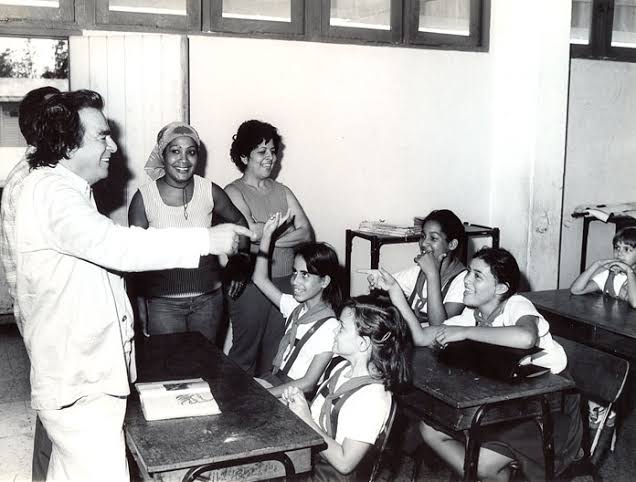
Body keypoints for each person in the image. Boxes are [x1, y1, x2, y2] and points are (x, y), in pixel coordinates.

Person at [14, 89, 254, 482]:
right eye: (102, 137)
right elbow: (119, 246)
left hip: (82, 373)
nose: (113, 147)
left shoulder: (64, 190)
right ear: (67, 144)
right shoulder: (53, 193)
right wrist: (205, 239)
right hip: (80, 378)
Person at [389, 247, 581, 482]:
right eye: (469, 272)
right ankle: (496, 475)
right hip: (504, 405)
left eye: (477, 276)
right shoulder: (473, 314)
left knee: (480, 464)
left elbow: (526, 338)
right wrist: (396, 294)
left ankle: (494, 473)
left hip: (547, 414)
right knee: (429, 430)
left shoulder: (516, 304)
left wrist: (466, 332)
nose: (467, 280)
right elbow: (421, 337)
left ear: (501, 288)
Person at [128, 121, 249, 344]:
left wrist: (239, 262)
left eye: (191, 152)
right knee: (170, 363)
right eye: (175, 151)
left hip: (208, 301)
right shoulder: (143, 198)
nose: (183, 160)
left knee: (204, 362)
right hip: (163, 305)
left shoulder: (210, 191)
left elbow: (239, 222)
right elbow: (133, 257)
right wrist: (139, 306)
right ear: (162, 155)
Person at [282, 294, 411, 481]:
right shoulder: (342, 368)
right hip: (310, 459)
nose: (335, 331)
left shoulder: (372, 398)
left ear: (362, 343)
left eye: (341, 327)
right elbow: (323, 418)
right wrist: (299, 405)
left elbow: (345, 463)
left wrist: (305, 418)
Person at [0, 86, 59, 482]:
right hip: (47, 312)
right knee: (56, 413)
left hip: (42, 311)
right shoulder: (32, 181)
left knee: (55, 412)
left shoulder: (45, 174)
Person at [225, 119, 313, 375]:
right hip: (249, 284)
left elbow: (306, 233)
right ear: (244, 157)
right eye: (261, 151)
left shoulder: (283, 190)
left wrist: (267, 238)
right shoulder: (233, 191)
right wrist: (274, 234)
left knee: (276, 355)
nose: (270, 158)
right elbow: (250, 231)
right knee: (245, 355)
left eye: (273, 151)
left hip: (286, 282)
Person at [252, 211, 342, 398]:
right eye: (295, 272)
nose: (295, 281)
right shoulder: (295, 308)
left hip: (294, 396)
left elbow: (308, 384)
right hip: (275, 380)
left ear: (325, 281)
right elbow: (259, 278)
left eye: (305, 275)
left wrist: (265, 395)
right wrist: (267, 237)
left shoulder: (330, 326)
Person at [364, 209, 467, 327]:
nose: (423, 243)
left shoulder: (463, 280)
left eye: (433, 238)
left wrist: (432, 274)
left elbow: (438, 327)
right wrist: (379, 286)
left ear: (452, 244)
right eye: (423, 236)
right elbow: (390, 289)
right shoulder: (418, 272)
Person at [570, 226, 636, 308]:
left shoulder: (632, 276)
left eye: (626, 249)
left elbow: (635, 303)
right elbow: (576, 290)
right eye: (617, 248)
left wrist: (629, 271)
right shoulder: (610, 275)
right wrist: (597, 264)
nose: (619, 253)